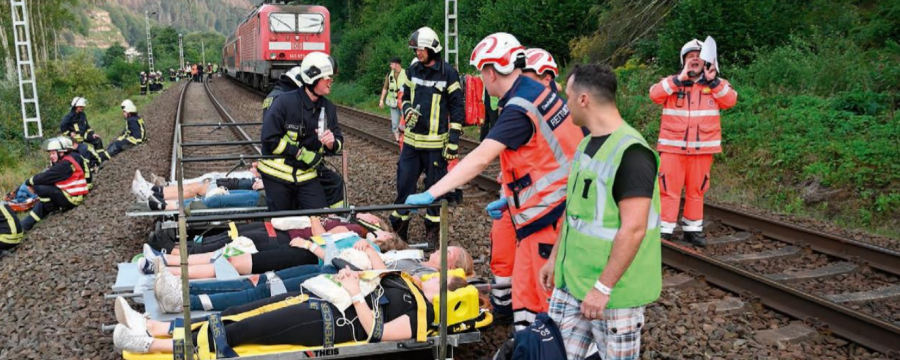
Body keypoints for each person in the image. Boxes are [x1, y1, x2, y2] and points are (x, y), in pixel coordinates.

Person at [406, 33, 584, 330]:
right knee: (526, 291)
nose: (481, 79)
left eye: (480, 72)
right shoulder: (536, 93)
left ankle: (546, 345)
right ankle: (529, 343)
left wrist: (433, 191)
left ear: (490, 71)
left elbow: (479, 158)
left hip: (549, 212)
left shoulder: (519, 108)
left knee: (542, 296)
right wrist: (512, 197)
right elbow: (548, 154)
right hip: (548, 207)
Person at [537, 64, 661, 360]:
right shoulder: (585, 145)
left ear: (584, 100)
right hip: (572, 283)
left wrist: (603, 288)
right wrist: (555, 259)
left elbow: (633, 229)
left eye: (568, 97)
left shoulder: (632, 154)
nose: (565, 105)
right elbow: (575, 214)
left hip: (613, 295)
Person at [112, 270, 466, 355]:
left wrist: (356, 293)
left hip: (324, 323)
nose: (428, 276)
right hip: (316, 301)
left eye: (437, 279)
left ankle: (149, 345)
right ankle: (155, 326)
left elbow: (377, 333)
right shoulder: (407, 285)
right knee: (237, 312)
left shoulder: (420, 315)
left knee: (237, 332)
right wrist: (352, 278)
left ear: (442, 293)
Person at [485, 46, 565, 323]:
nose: (535, 82)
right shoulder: (516, 105)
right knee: (504, 255)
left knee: (539, 271)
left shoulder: (560, 113)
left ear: (551, 79)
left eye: (542, 77)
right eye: (530, 75)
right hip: (516, 198)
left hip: (545, 208)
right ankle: (505, 308)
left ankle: (540, 326)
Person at [649, 39, 738, 246]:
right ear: (683, 60)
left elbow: (730, 100)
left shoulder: (716, 85)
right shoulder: (672, 83)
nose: (695, 59)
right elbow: (654, 94)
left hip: (702, 150)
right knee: (668, 189)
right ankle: (665, 230)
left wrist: (713, 81)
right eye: (690, 56)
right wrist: (679, 78)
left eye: (699, 56)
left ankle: (693, 230)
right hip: (672, 148)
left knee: (696, 190)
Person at [390, 27, 465, 244]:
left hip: (435, 146)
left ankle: (432, 233)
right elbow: (403, 96)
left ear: (432, 48)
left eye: (420, 50)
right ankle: (399, 230)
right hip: (412, 145)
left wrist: (453, 141)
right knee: (404, 185)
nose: (417, 54)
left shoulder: (448, 73)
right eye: (415, 50)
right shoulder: (413, 69)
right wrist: (407, 110)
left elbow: (457, 108)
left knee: (435, 192)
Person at [259, 52, 344, 211]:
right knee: (283, 223)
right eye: (327, 77)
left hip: (307, 175)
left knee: (319, 217)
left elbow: (339, 142)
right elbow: (269, 139)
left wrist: (332, 143)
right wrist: (299, 153)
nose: (331, 81)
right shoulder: (284, 102)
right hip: (277, 175)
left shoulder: (329, 108)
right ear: (313, 78)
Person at [20, 137, 90, 232]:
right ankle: (23, 227)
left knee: (39, 188)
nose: (50, 156)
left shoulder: (64, 165)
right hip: (72, 193)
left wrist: (29, 182)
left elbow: (45, 177)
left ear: (61, 152)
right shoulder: (71, 158)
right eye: (50, 153)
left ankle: (54, 210)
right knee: (41, 204)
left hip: (73, 198)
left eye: (53, 153)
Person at [60, 97, 109, 167]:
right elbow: (62, 126)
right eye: (80, 107)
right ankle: (87, 165)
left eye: (82, 107)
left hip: (83, 135)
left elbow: (87, 126)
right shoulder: (69, 117)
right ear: (75, 106)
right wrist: (69, 133)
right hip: (75, 139)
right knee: (83, 150)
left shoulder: (82, 114)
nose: (82, 108)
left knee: (97, 140)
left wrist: (92, 134)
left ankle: (101, 158)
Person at [379, 57, 407, 142]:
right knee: (395, 122)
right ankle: (398, 139)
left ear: (397, 64)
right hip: (393, 102)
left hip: (403, 102)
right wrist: (381, 100)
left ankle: (405, 138)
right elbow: (385, 88)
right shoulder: (389, 74)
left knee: (405, 121)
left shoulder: (406, 73)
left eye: (391, 64)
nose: (390, 65)